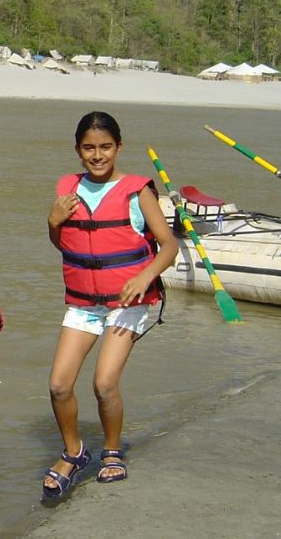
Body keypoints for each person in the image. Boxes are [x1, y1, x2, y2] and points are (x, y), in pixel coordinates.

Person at [42, 111, 177, 500]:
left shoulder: (138, 192)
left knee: (104, 384)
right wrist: (52, 222)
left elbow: (168, 246)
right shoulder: (68, 189)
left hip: (127, 301)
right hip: (84, 302)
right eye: (89, 148)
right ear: (77, 150)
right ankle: (74, 451)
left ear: (118, 147)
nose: (97, 155)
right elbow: (65, 244)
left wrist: (144, 276)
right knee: (58, 385)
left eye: (105, 147)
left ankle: (112, 451)